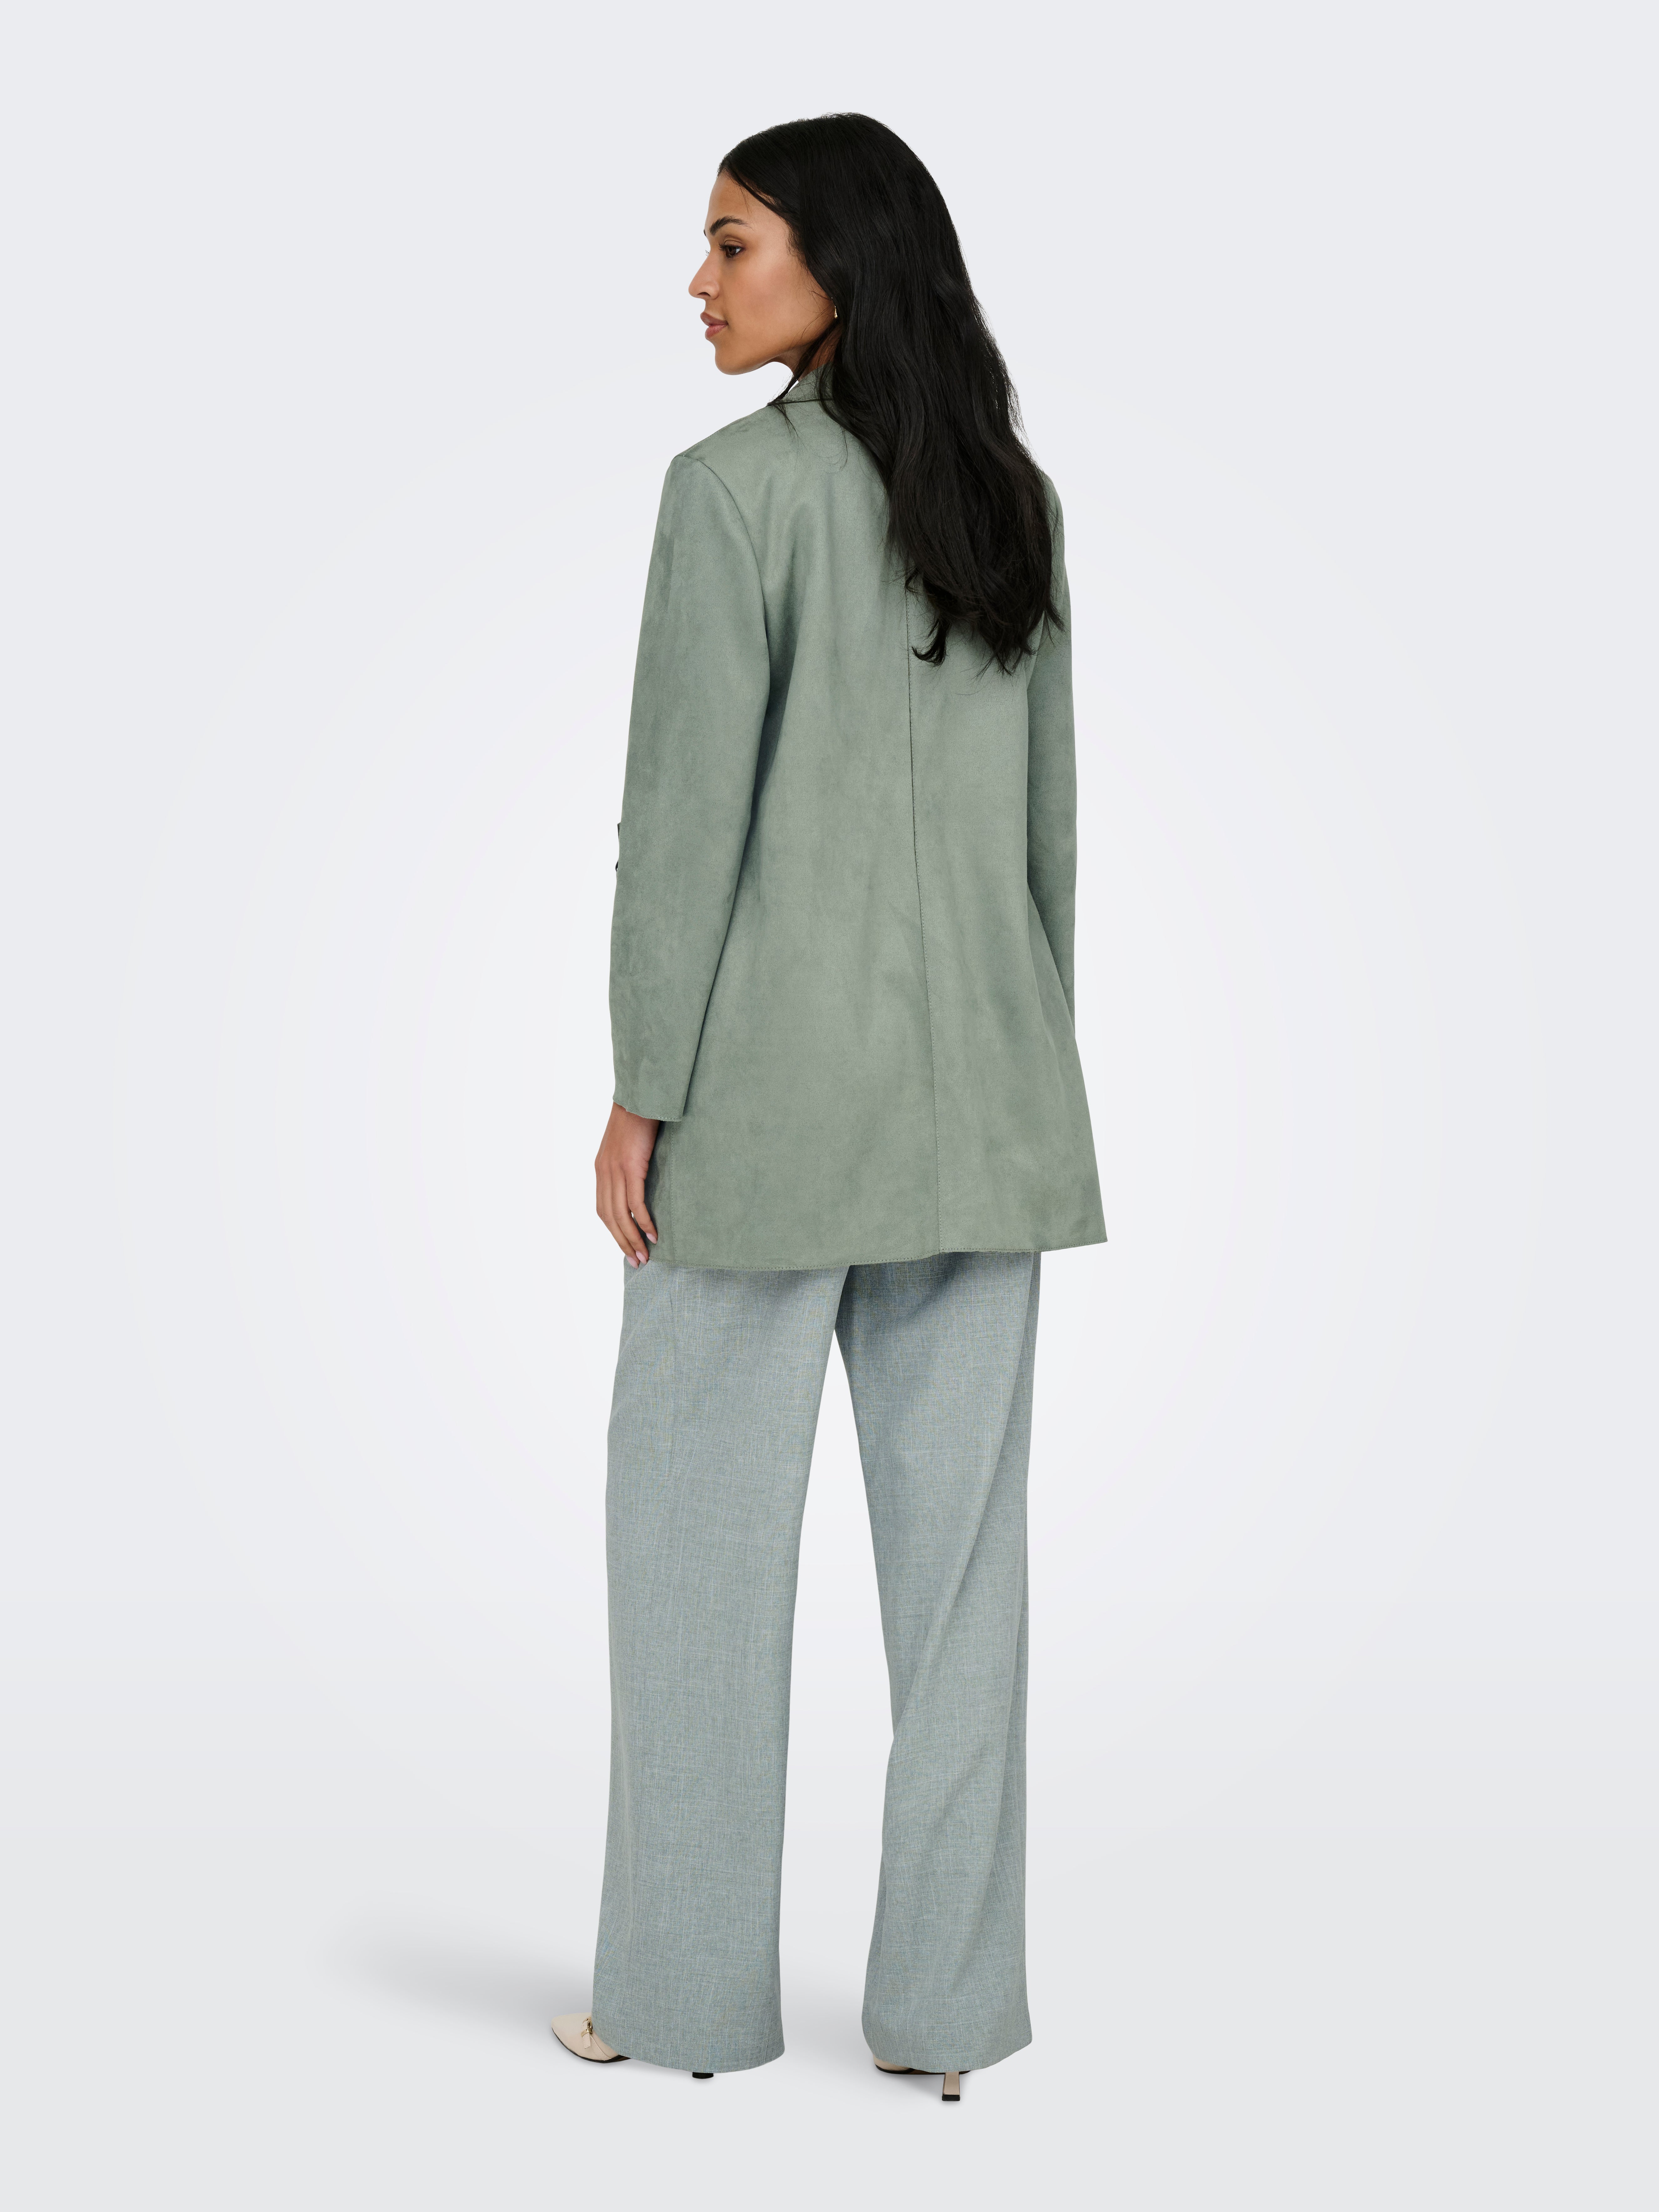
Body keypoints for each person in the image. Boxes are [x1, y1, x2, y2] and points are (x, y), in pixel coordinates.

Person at [552, 112, 1105, 2103]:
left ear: (838, 261)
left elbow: (683, 824)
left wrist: (643, 1093)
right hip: (995, 1117)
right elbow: (1049, 845)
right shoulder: (1013, 501)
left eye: (733, 243)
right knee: (965, 1599)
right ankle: (947, 2022)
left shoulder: (733, 494)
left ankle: (684, 1999)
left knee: (695, 1556)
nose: (700, 284)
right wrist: (1029, 1070)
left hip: (771, 1120)